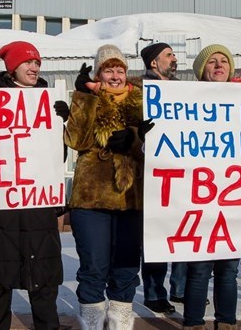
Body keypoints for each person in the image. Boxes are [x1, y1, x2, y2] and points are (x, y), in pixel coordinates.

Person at [0, 41, 65, 330]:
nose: (35, 67)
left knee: (43, 283)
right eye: (29, 62)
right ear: (12, 68)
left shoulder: (49, 102)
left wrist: (63, 124)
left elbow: (56, 158)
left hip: (37, 204)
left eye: (38, 62)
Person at [181, 44, 241, 330]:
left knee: (228, 269)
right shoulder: (183, 102)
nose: (219, 65)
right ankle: (194, 324)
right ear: (202, 69)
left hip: (233, 199)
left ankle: (227, 324)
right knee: (198, 271)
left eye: (224, 61)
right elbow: (164, 151)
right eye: (212, 61)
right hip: (198, 198)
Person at [63, 44, 144, 329]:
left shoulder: (143, 100)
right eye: (108, 69)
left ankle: (120, 319)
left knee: (125, 267)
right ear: (98, 74)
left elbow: (161, 145)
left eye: (120, 70)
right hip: (91, 198)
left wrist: (134, 138)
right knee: (94, 266)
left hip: (131, 198)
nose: (115, 75)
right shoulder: (88, 98)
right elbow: (75, 140)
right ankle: (92, 320)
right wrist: (83, 98)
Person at [138, 42, 184, 313]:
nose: (174, 58)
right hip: (153, 176)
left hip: (184, 174)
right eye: (169, 55)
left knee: (184, 233)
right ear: (154, 63)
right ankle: (155, 293)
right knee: (155, 237)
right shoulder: (141, 93)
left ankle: (180, 288)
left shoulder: (183, 91)